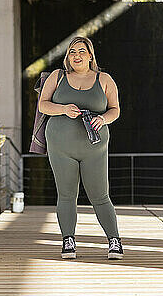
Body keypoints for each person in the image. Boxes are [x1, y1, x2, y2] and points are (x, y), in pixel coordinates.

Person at [38, 36, 124, 260]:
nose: (77, 56)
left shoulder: (104, 79)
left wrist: (104, 119)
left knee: (100, 195)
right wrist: (64, 109)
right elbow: (43, 105)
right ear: (68, 56)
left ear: (90, 55)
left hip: (94, 147)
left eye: (81, 52)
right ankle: (68, 240)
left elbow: (115, 109)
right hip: (60, 146)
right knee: (66, 194)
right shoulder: (57, 77)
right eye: (72, 52)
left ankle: (114, 240)